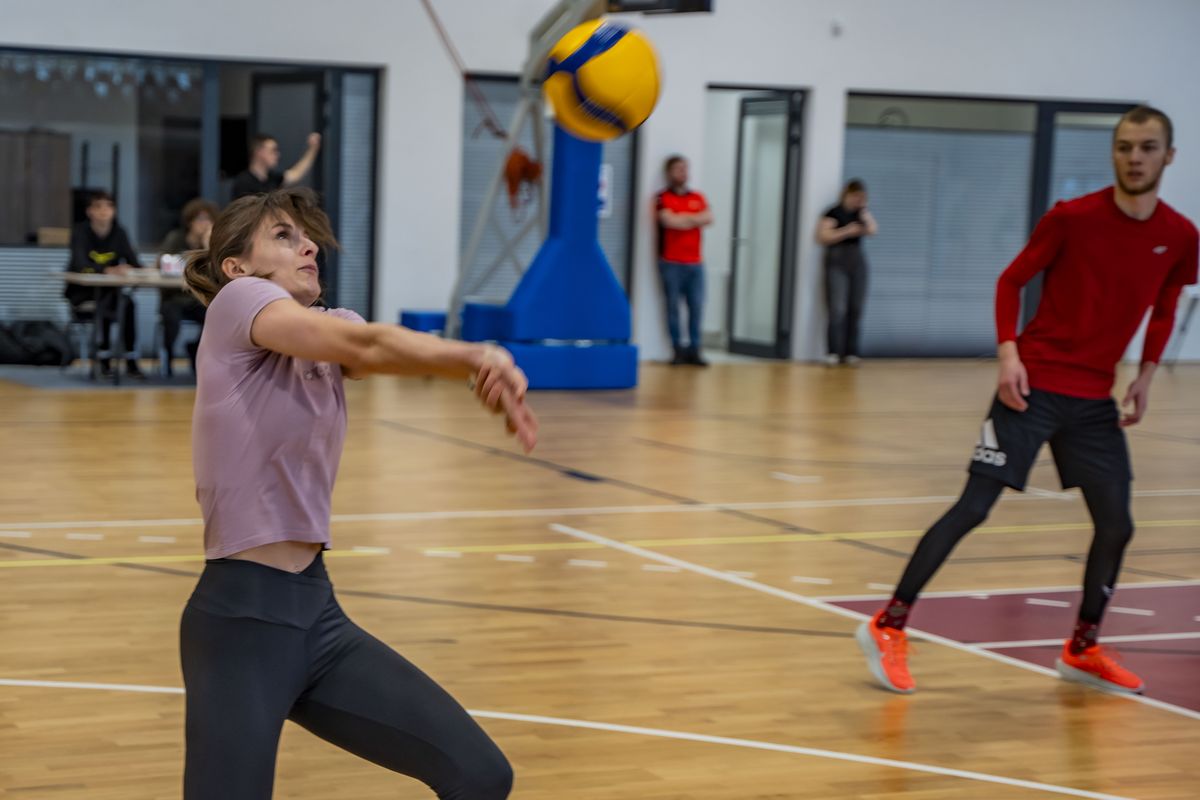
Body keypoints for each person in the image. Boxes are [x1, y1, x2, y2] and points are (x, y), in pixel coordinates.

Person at [180, 188, 534, 799]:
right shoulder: (237, 303)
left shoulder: (330, 331)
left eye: (307, 236)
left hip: (317, 619)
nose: (308, 246)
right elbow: (365, 348)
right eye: (284, 236)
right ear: (237, 266)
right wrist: (479, 352)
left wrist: (475, 369)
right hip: (240, 624)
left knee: (480, 775)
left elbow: (379, 349)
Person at [856, 106, 1198, 696]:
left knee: (1116, 525)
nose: (1134, 158)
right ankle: (888, 624)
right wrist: (1009, 354)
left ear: (1168, 156)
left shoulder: (1181, 235)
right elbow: (1010, 281)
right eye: (1124, 147)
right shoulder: (1072, 218)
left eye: (1147, 147)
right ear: (1113, 153)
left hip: (1093, 399)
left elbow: (1166, 303)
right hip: (1032, 387)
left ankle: (1082, 649)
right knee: (973, 508)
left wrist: (1145, 374)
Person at [63, 190, 145, 379]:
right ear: (89, 211)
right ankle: (104, 357)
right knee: (107, 302)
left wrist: (140, 269)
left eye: (108, 206)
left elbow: (133, 261)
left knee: (128, 304)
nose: (104, 211)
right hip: (83, 292)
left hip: (111, 291)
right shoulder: (80, 232)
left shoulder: (119, 233)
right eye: (98, 206)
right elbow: (80, 264)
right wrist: (107, 270)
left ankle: (131, 358)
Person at [656, 155, 713, 366]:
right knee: (673, 307)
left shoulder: (698, 196)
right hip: (671, 262)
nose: (683, 173)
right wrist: (693, 219)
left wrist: (683, 219)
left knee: (696, 306)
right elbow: (669, 221)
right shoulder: (662, 197)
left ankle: (694, 349)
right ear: (669, 172)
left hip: (695, 262)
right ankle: (677, 349)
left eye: (685, 168)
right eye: (678, 169)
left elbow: (708, 218)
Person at [815, 179, 877, 366]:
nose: (857, 200)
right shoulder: (834, 212)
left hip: (857, 261)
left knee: (855, 308)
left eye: (861, 197)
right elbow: (823, 236)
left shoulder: (861, 214)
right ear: (846, 194)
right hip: (837, 261)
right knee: (837, 308)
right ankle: (833, 352)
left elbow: (873, 230)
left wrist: (865, 213)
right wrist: (847, 231)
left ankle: (851, 352)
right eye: (855, 196)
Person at [158, 198, 217, 376]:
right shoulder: (175, 239)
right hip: (174, 296)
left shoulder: (212, 244)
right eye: (200, 219)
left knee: (215, 314)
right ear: (190, 221)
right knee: (171, 316)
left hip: (198, 298)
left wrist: (208, 245)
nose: (204, 224)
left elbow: (217, 272)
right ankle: (168, 354)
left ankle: (195, 348)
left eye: (208, 220)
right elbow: (161, 264)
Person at [231, 132, 322, 199]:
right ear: (259, 152)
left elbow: (296, 174)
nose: (278, 155)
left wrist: (313, 148)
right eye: (273, 150)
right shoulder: (243, 183)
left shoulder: (273, 179)